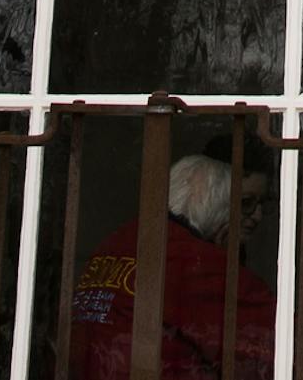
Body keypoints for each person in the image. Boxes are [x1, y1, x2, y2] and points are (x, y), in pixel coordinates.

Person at [69, 149, 278, 379]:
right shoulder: (197, 260)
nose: (256, 216)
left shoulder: (118, 241)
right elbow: (277, 342)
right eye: (244, 203)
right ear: (217, 205)